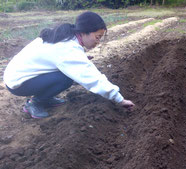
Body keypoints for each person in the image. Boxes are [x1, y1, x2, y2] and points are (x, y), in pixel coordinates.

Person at [3, 11, 135, 119]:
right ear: (85, 32)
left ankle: (45, 98)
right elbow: (90, 76)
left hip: (17, 75)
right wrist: (119, 99)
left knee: (65, 74)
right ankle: (35, 103)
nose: (98, 42)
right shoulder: (67, 48)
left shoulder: (67, 37)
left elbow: (60, 59)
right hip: (18, 83)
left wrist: (80, 58)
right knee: (65, 78)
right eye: (97, 37)